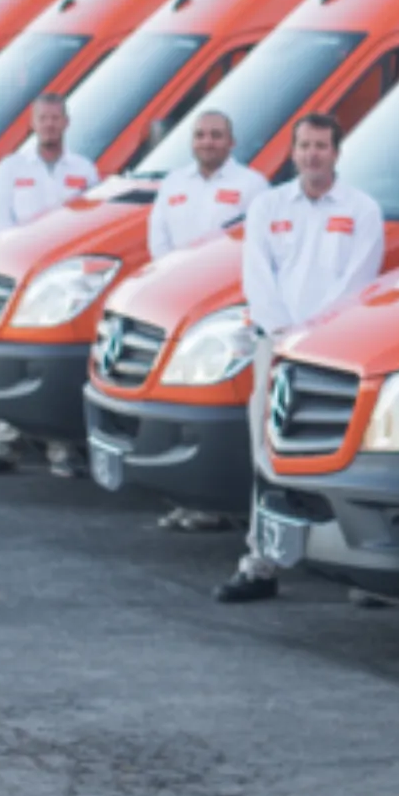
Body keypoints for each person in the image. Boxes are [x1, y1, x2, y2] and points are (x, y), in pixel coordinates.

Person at [213, 112, 385, 603]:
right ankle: (260, 563)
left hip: (336, 356)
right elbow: (257, 277)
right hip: (276, 348)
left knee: (337, 459)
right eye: (305, 146)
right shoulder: (267, 207)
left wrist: (315, 337)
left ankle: (361, 571)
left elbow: (359, 279)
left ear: (337, 152)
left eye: (322, 146)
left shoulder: (362, 210)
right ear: (293, 152)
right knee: (267, 461)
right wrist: (287, 334)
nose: (313, 154)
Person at [146, 109, 269, 533]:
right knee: (176, 406)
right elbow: (157, 239)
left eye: (217, 135)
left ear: (231, 143)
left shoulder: (252, 187)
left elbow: (258, 249)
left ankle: (215, 506)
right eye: (201, 135)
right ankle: (185, 499)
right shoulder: (174, 185)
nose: (208, 142)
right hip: (178, 308)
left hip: (223, 312)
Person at [0, 94, 100, 476]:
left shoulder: (84, 171)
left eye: (55, 118)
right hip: (22, 283)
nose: (49, 125)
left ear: (67, 123)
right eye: (43, 118)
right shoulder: (12, 169)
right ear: (32, 123)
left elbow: (91, 228)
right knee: (15, 366)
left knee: (52, 369)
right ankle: (3, 446)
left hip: (64, 288)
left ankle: (60, 450)